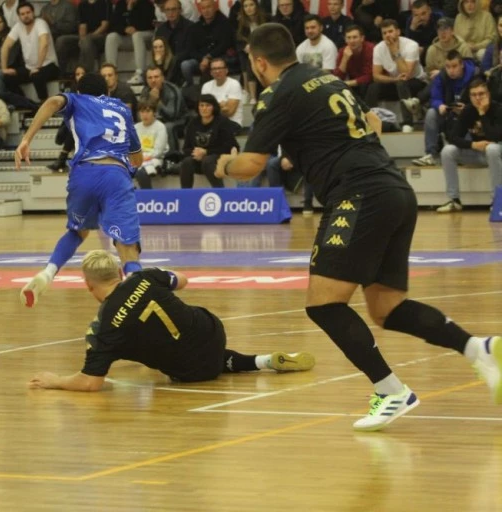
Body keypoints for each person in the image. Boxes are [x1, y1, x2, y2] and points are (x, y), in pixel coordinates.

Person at [215, 22, 502, 431]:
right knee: (387, 308)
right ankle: (479, 349)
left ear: (259, 62)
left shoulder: (277, 94)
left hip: (358, 194)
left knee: (323, 304)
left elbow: (251, 166)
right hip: (394, 189)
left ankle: (391, 390)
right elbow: (372, 121)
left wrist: (220, 162)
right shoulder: (326, 80)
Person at [28, 250, 316, 390]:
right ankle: (264, 361)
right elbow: (184, 280)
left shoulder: (102, 328)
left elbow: (91, 384)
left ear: (88, 285)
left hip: (190, 372)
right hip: (212, 331)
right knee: (199, 347)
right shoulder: (143, 276)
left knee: (139, 348)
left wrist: (56, 381)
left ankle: (262, 362)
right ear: (119, 273)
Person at [15, 73, 144, 308]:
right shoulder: (122, 109)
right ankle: (137, 294)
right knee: (127, 243)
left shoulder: (77, 100)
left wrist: (26, 139)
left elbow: (53, 102)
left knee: (78, 232)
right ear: (106, 91)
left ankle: (47, 273)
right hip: (115, 174)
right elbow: (137, 158)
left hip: (84, 172)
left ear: (79, 90)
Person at [437, 79, 502, 212]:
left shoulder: (498, 109)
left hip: (497, 152)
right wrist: (473, 144)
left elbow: (495, 137)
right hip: (478, 152)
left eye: (481, 94)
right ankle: (454, 200)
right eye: (474, 95)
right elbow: (453, 137)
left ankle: (498, 201)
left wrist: (482, 113)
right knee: (447, 151)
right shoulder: (468, 110)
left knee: (492, 148)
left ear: (488, 94)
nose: (478, 98)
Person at [412, 50, 476, 167]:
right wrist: (439, 105)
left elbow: (480, 99)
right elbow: (435, 97)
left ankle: (465, 156)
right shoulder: (442, 76)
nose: (451, 70)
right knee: (431, 113)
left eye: (454, 66)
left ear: (462, 64)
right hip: (448, 112)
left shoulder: (474, 75)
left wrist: (467, 108)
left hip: (468, 116)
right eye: (448, 67)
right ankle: (430, 155)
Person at [179, 94, 238, 188]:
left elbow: (230, 146)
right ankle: (185, 194)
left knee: (208, 161)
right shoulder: (193, 123)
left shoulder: (222, 122)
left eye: (207, 105)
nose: (204, 108)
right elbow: (186, 148)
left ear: (213, 107)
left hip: (219, 158)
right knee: (186, 162)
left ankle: (220, 192)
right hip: (199, 159)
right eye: (201, 105)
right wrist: (195, 153)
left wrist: (206, 152)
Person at [134, 99, 168, 189]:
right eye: (142, 111)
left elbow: (158, 151)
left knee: (141, 172)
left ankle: (148, 197)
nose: (145, 115)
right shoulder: (135, 128)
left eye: (148, 111)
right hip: (137, 159)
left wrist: (144, 157)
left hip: (155, 159)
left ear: (154, 113)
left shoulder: (160, 127)